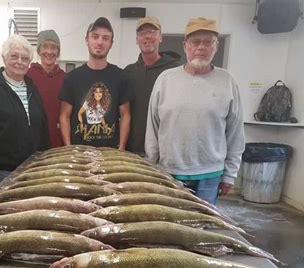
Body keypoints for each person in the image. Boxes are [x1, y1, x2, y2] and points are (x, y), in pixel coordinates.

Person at [145, 17, 245, 205]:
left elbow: (235, 133)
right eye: (195, 42)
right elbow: (153, 127)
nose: (201, 47)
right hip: (169, 172)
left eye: (208, 42)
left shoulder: (228, 81)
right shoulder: (165, 79)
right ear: (185, 46)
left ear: (216, 46)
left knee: (201, 230)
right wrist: (152, 166)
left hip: (210, 174)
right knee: (170, 227)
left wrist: (230, 174)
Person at [0, 34, 49, 190]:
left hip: (32, 170)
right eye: (14, 56)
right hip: (2, 171)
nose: (19, 61)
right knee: (1, 212)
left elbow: (42, 125)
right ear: (4, 58)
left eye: (25, 58)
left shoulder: (31, 88)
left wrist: (45, 158)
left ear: (29, 63)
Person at [59, 17, 131, 149]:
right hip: (79, 154)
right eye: (95, 36)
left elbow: (125, 115)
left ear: (111, 43)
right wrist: (69, 149)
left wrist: (121, 149)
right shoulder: (71, 78)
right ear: (87, 40)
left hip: (110, 155)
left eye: (105, 38)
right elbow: (64, 116)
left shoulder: (121, 77)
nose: (100, 42)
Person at [124, 16, 181, 155]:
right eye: (143, 33)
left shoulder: (175, 71)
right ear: (137, 39)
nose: (148, 36)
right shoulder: (128, 72)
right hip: (133, 153)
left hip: (165, 155)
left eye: (153, 31)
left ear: (161, 37)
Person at [27, 29, 65, 148]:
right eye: (45, 46)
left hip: (58, 143)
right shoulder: (27, 76)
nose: (49, 51)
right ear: (39, 50)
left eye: (53, 47)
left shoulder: (66, 79)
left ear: (58, 52)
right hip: (32, 142)